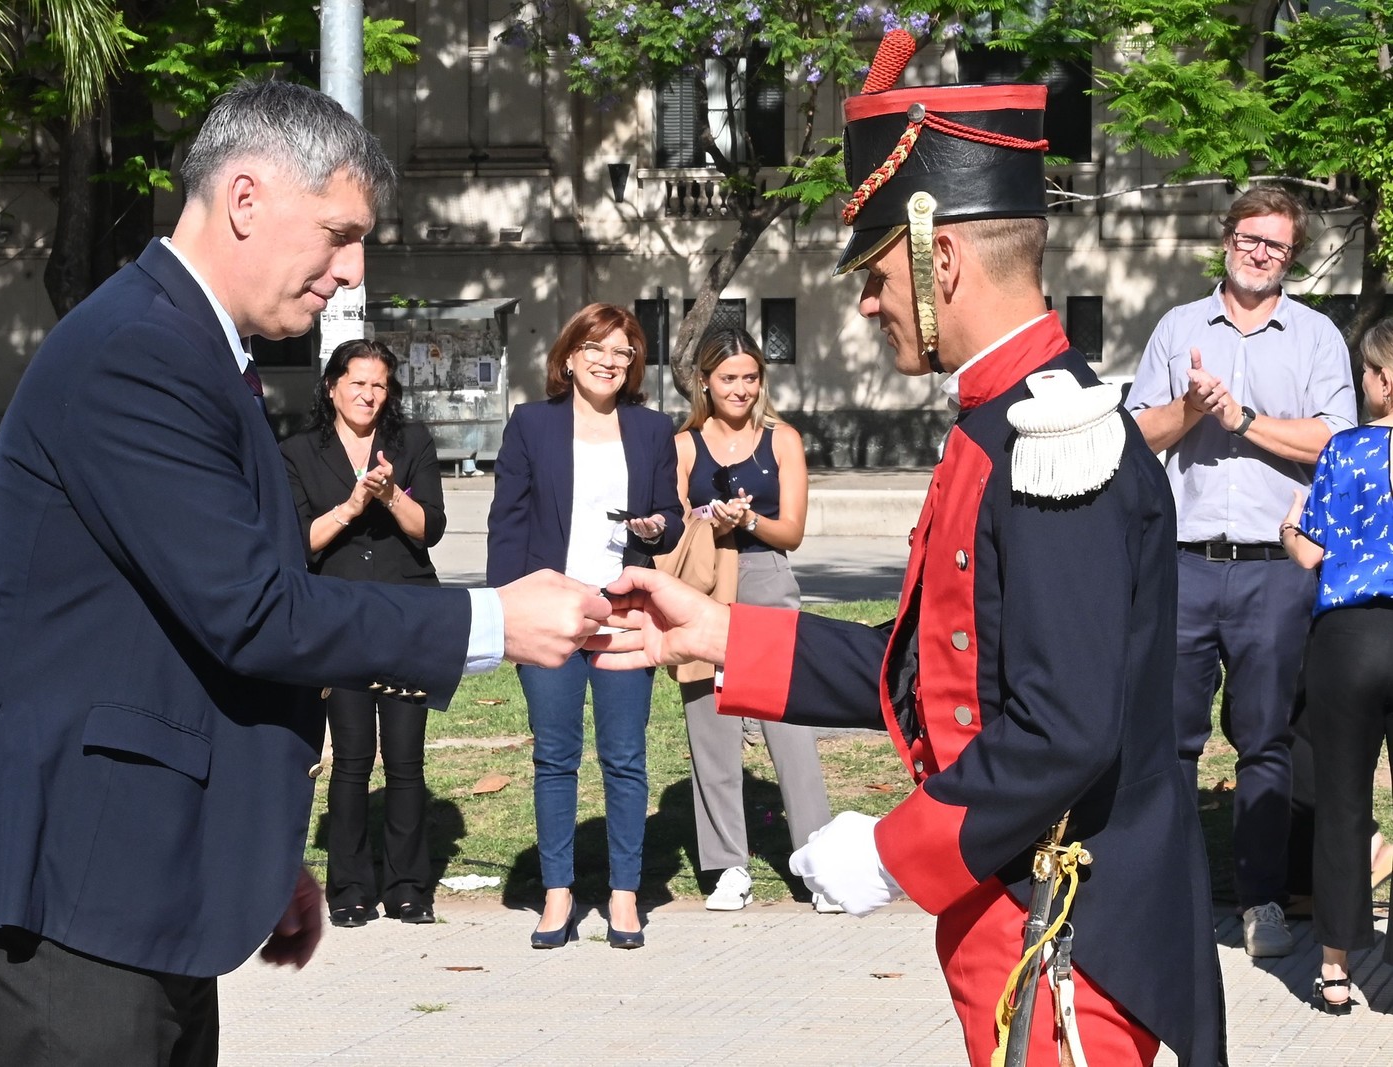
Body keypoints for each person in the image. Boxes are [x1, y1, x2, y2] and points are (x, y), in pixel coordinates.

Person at [0, 79, 609, 1066]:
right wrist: (493, 620)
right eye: (336, 232)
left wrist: (249, 838)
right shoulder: (138, 352)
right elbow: (250, 611)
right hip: (71, 890)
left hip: (137, 876)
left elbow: (183, 635)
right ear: (245, 199)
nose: (350, 268)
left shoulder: (196, 349)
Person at [588, 30, 1224, 1066]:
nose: (866, 300)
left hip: (1069, 936)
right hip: (1013, 915)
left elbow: (1061, 726)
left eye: (875, 274)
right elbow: (932, 662)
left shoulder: (1053, 443)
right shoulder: (997, 424)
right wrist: (712, 627)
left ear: (940, 257)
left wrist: (892, 846)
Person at [1125, 186, 1356, 957]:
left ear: (1290, 258)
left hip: (1274, 570)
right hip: (1185, 564)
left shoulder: (1316, 336)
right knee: (1168, 741)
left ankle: (1260, 901)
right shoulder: (1177, 328)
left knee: (1264, 743)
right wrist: (1191, 408)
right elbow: (1136, 437)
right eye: (1250, 238)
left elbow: (1334, 441)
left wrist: (1241, 419)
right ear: (1225, 240)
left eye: (1277, 246)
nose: (1260, 253)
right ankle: (1169, 897)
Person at [486, 302, 683, 950]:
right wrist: (505, 609)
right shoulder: (531, 425)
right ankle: (558, 893)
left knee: (625, 756)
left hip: (623, 610)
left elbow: (671, 518)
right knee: (554, 756)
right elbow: (507, 522)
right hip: (550, 608)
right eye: (596, 347)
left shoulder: (652, 430)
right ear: (568, 356)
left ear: (634, 366)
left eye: (622, 352)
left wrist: (656, 527)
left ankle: (624, 894)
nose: (608, 360)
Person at [280, 339, 445, 928]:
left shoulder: (411, 443)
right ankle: (348, 888)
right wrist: (352, 505)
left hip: (406, 616)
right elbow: (298, 541)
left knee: (405, 760)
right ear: (332, 386)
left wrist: (392, 493)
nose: (368, 395)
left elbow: (431, 531)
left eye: (379, 385)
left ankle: (408, 886)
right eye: (357, 383)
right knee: (352, 758)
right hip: (339, 618)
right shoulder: (299, 452)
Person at [673, 326, 834, 913]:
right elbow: (673, 524)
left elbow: (790, 530)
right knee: (710, 724)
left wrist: (747, 522)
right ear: (704, 383)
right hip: (706, 581)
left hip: (766, 575)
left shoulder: (782, 439)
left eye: (749, 378)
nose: (740, 389)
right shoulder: (685, 444)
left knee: (789, 727)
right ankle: (726, 866)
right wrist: (707, 522)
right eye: (727, 379)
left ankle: (817, 862)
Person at [1281, 318, 1393, 1014]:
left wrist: (1289, 529)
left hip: (1349, 637)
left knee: (1343, 804)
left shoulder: (1346, 451)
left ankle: (1333, 969)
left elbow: (1312, 554)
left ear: (1382, 379)